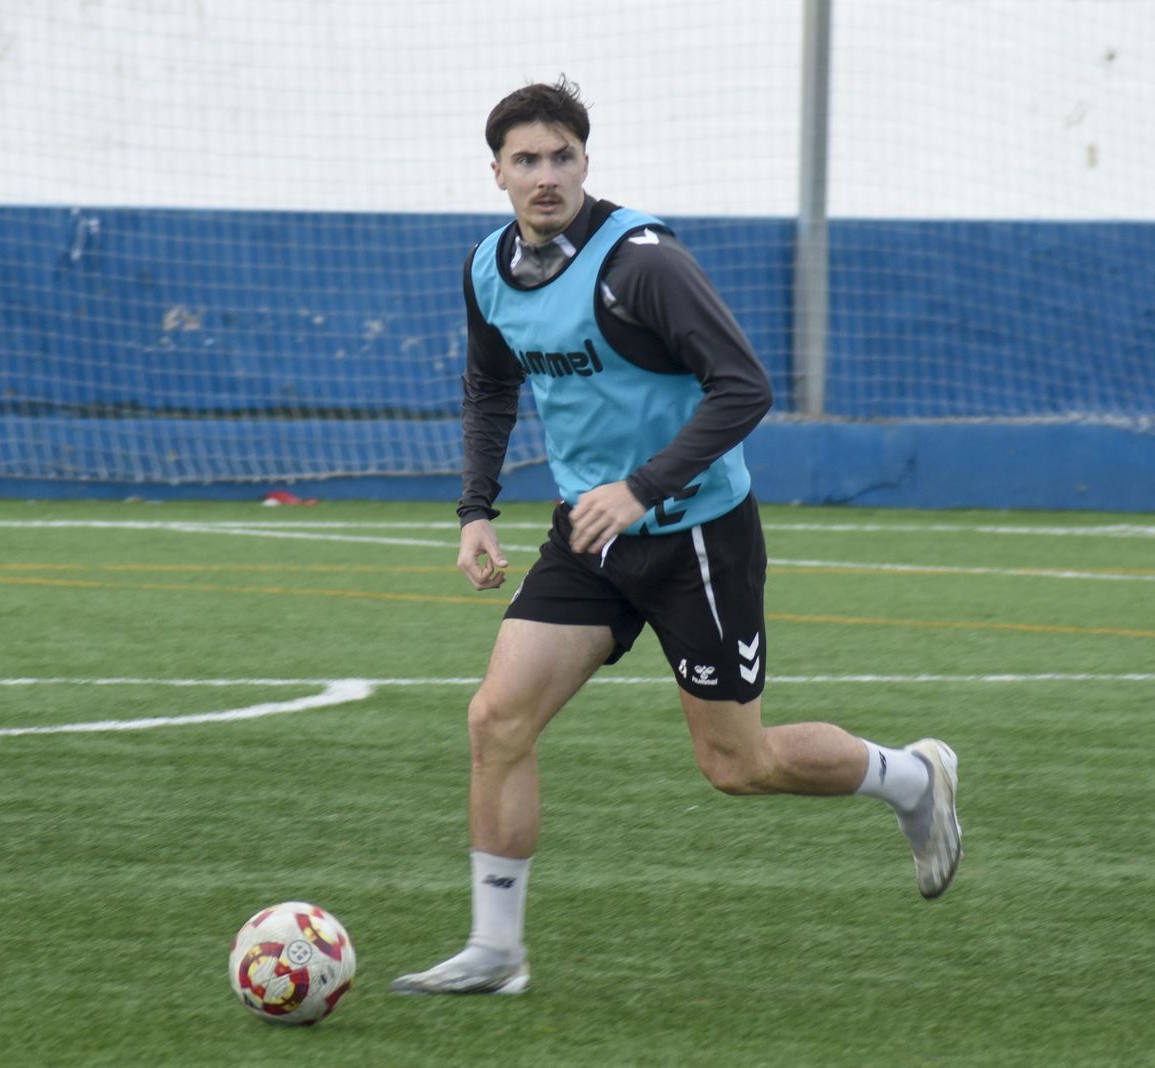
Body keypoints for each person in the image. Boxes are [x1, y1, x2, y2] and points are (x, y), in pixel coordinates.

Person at [390, 78, 961, 997]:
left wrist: (643, 486)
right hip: (588, 533)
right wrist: (475, 510)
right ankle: (496, 952)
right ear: (494, 170)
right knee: (497, 720)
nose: (546, 176)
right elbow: (491, 388)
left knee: (739, 765)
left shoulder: (642, 262)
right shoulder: (487, 270)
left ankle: (911, 779)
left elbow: (743, 387)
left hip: (695, 535)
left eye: (562, 156)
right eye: (526, 160)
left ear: (587, 160)